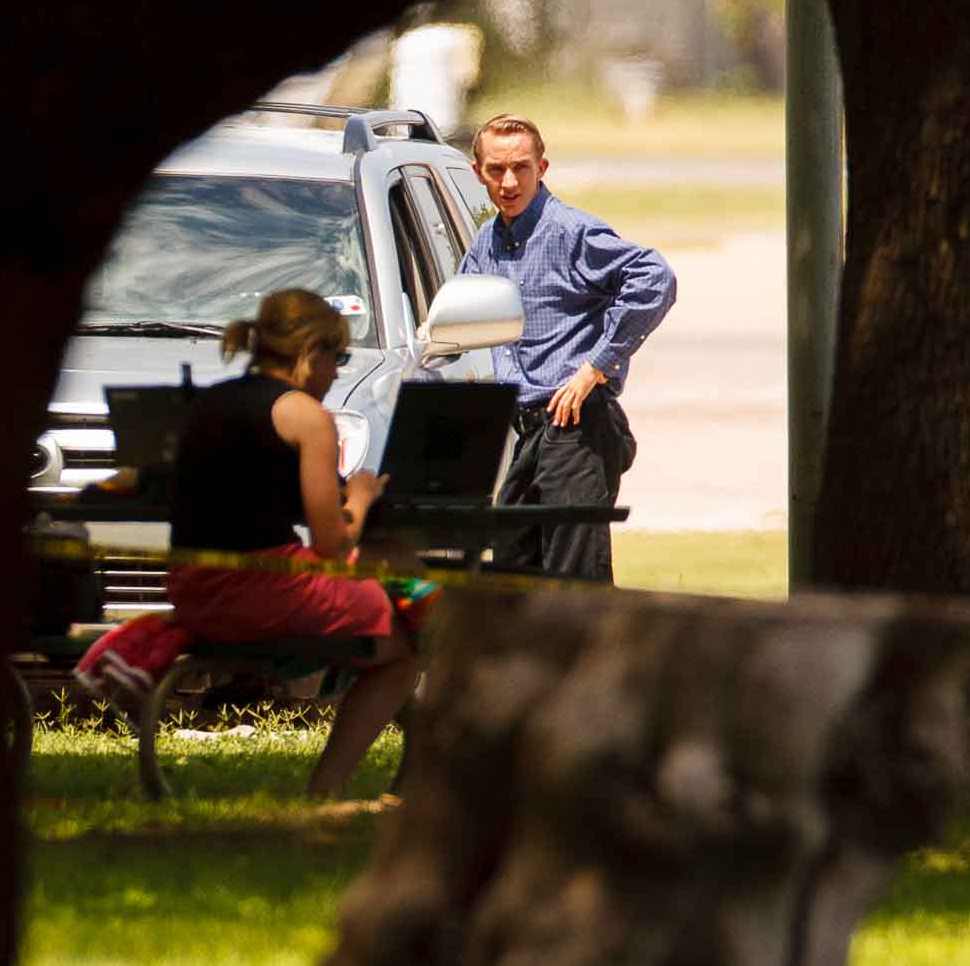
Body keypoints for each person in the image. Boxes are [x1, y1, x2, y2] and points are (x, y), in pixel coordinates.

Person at [160, 289, 428, 798]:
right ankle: (325, 790)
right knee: (407, 647)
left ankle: (421, 641)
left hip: (194, 589)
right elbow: (331, 543)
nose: (336, 374)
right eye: (338, 359)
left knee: (396, 564)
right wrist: (364, 495)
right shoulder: (305, 415)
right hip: (264, 593)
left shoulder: (210, 403)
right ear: (311, 354)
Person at [457, 113, 676, 581]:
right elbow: (459, 314)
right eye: (496, 170)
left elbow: (655, 279)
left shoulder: (568, 231)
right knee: (513, 572)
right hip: (527, 430)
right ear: (478, 173)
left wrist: (595, 368)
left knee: (575, 583)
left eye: (522, 167)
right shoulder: (486, 244)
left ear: (543, 167)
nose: (509, 181)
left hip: (576, 426)